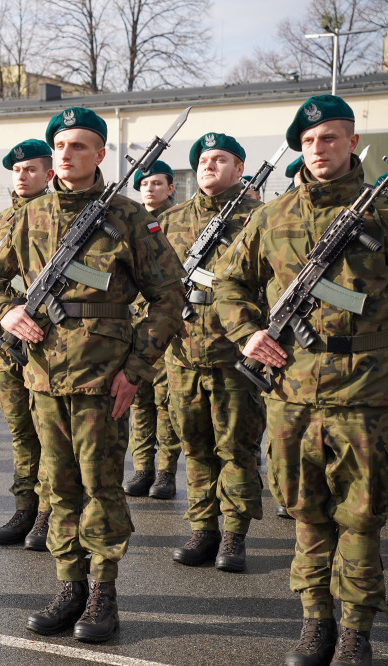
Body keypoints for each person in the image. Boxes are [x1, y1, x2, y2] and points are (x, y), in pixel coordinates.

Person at [0, 107, 184, 643]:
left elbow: (167, 296)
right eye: (61, 146)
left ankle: (103, 593)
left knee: (102, 488)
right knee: (59, 487)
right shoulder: (26, 216)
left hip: (102, 378)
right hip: (42, 376)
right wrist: (6, 309)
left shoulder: (129, 217)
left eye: (80, 146)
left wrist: (137, 367)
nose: (67, 154)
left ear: (101, 154)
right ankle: (69, 586)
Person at [214, 95, 387, 666]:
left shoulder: (381, 212)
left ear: (351, 140)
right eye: (309, 141)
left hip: (366, 394)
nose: (319, 149)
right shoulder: (270, 217)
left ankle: (357, 635)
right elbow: (229, 284)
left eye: (330, 138)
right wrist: (247, 332)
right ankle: (317, 622)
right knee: (307, 516)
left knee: (361, 519)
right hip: (290, 395)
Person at [162, 133, 264, 573]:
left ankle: (235, 535)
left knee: (237, 449)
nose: (208, 165)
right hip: (183, 354)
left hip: (234, 357)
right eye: (202, 160)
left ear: (239, 169)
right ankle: (203, 527)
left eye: (220, 159)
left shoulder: (260, 219)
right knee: (195, 447)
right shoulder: (172, 220)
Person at [0, 139, 53, 548]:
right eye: (18, 170)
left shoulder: (66, 221)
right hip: (7, 347)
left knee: (50, 432)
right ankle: (24, 507)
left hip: (47, 344)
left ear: (49, 175)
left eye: (32, 170)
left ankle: (47, 513)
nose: (23, 176)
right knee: (21, 431)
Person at [123, 160, 182, 500]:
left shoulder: (178, 221)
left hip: (165, 322)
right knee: (139, 398)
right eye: (144, 183)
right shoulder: (129, 221)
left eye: (158, 182)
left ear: (170, 187)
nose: (150, 188)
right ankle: (143, 467)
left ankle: (165, 472)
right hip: (134, 320)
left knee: (165, 401)